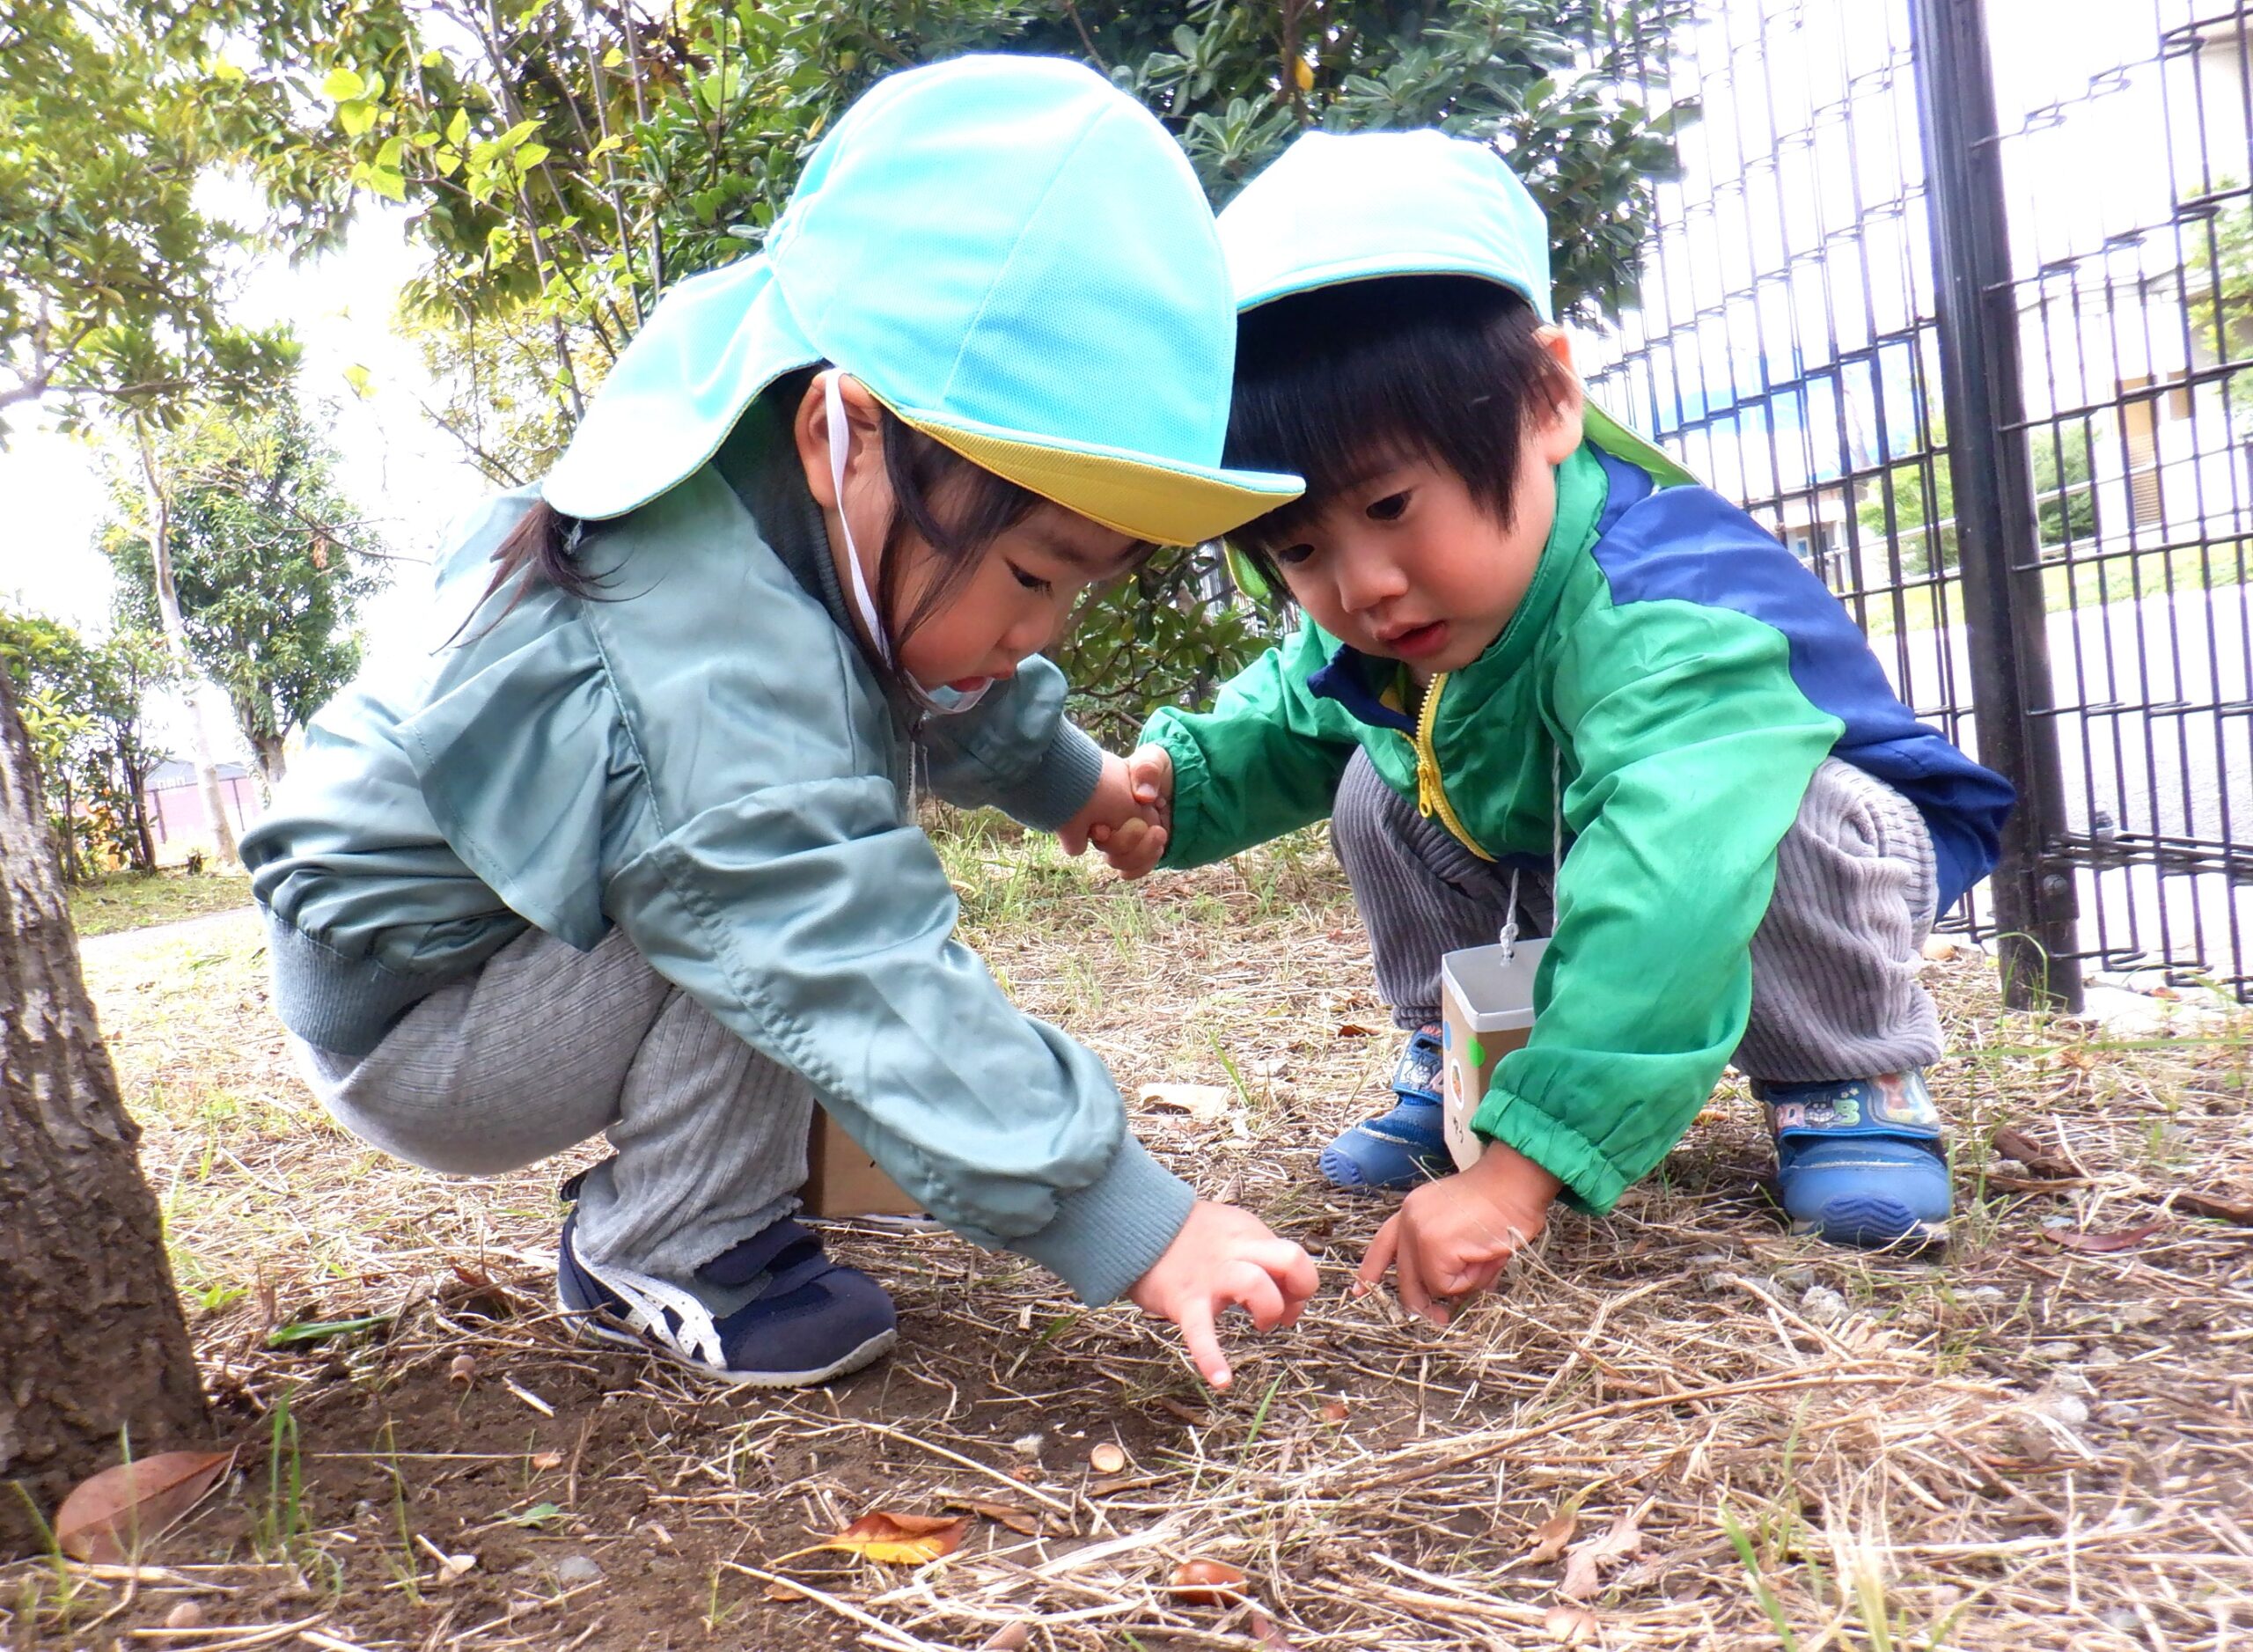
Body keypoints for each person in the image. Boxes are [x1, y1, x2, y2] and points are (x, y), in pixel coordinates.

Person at [241, 56, 1318, 1391]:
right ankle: (672, 1238)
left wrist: (1076, 781)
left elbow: (934, 673)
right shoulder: (698, 645)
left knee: (776, 855)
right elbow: (843, 957)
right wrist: (1134, 1218)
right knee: (773, 902)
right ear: (840, 434)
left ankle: (725, 1181)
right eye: (1035, 576)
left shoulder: (777, 496)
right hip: (423, 1028)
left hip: (486, 966)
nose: (1042, 630)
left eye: (1075, 592)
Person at [1089, 129, 2015, 1325]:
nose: (1364, 584)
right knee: (1375, 785)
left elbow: (1674, 875)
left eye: (1391, 504)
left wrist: (1522, 1172)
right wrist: (1184, 783)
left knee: (1775, 819)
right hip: (1573, 838)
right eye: (1302, 548)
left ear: (1548, 401)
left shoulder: (1663, 606)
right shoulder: (1412, 609)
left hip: (1812, 852)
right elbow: (1300, 696)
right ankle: (1464, 1056)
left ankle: (1845, 1075)